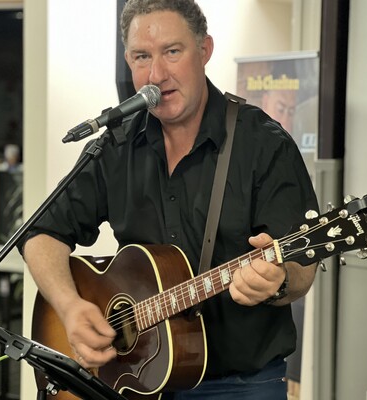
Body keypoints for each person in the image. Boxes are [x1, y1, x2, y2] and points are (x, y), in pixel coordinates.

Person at [20, 1, 318, 399]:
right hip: (134, 379)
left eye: (172, 52)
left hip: (240, 385)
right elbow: (40, 234)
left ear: (205, 50)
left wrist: (278, 282)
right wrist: (70, 307)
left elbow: (302, 264)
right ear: (128, 61)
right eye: (142, 57)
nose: (156, 75)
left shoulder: (264, 144)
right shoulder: (115, 145)